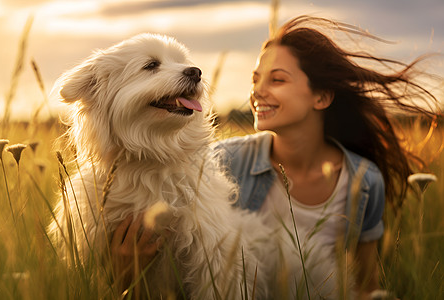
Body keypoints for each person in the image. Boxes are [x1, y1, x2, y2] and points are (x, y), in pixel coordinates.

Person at [111, 15, 440, 299]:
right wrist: (126, 271)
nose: (257, 92)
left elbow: (366, 288)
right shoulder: (217, 162)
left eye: (276, 79)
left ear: (322, 96)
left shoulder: (364, 181)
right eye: (255, 80)